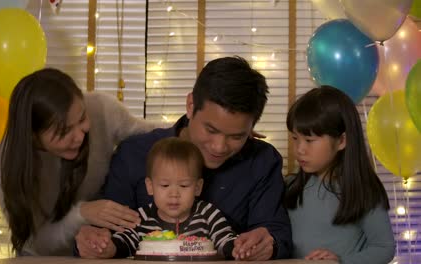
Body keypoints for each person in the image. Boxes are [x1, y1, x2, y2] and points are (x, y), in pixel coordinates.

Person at [76, 56, 292, 260]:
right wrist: (92, 240)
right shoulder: (134, 154)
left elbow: (277, 234)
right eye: (211, 129)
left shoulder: (262, 161)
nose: (219, 146)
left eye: (236, 136)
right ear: (190, 106)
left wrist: (269, 244)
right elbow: (106, 233)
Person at [0, 68, 155, 255]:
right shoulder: (4, 165)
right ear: (32, 136)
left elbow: (151, 136)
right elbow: (34, 243)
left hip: (97, 251)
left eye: (82, 118)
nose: (79, 137)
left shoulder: (100, 108)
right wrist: (82, 214)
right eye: (63, 132)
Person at [285, 86, 395, 263]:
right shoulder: (289, 186)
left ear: (342, 141)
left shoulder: (362, 190)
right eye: (295, 138)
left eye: (309, 140)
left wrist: (341, 262)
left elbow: (384, 247)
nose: (300, 149)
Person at [77, 137, 238, 259]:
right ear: (150, 186)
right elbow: (123, 242)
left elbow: (225, 241)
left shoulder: (209, 214)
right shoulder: (141, 218)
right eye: (165, 186)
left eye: (183, 186)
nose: (174, 194)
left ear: (197, 187)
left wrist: (238, 248)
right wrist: (108, 248)